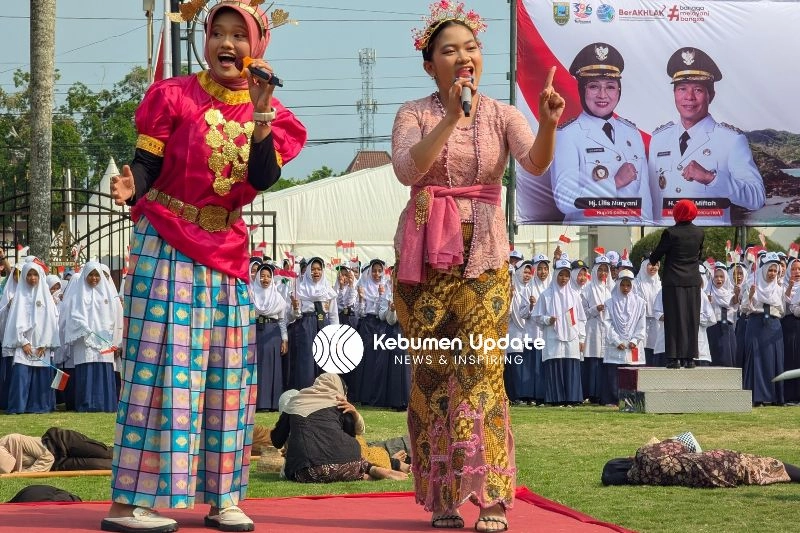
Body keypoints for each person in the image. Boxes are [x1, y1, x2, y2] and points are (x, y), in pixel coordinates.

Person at [104, 1, 306, 531]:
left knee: (228, 377)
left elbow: (261, 179)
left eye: (240, 35)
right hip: (166, 244)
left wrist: (261, 113)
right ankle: (129, 502)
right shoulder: (172, 95)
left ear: (258, 46)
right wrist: (133, 187)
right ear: (204, 38)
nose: (227, 44)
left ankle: (224, 497)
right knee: (157, 370)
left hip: (226, 254)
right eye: (217, 32)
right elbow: (147, 162)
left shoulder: (276, 116)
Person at [391, 2, 565, 530]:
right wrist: (449, 117)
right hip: (423, 265)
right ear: (430, 64)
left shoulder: (502, 113)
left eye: (471, 47)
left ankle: (491, 497)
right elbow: (406, 169)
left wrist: (550, 123)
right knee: (431, 375)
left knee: (484, 373)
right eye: (449, 50)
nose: (463, 57)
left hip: (484, 259)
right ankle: (443, 496)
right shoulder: (414, 113)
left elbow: (534, 163)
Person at [648, 47, 765, 226]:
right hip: (666, 238)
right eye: (681, 89)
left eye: (698, 90)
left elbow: (756, 197)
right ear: (674, 94)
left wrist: (711, 178)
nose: (689, 97)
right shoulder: (658, 139)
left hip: (708, 239)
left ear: (711, 95)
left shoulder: (731, 140)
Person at [550, 42, 649, 225]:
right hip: (588, 230)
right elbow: (564, 200)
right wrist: (614, 182)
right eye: (594, 86)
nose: (603, 95)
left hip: (631, 230)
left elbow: (645, 196)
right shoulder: (568, 135)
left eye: (610, 87)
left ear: (619, 90)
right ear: (582, 90)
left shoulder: (631, 132)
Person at [269, 373, 407, 483]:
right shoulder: (339, 403)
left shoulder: (295, 401)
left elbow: (277, 440)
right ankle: (371, 471)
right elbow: (355, 434)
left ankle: (366, 477)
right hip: (351, 463)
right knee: (352, 464)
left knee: (308, 471)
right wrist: (354, 413)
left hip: (310, 470)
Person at [602, 436, 800, 488]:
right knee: (767, 464)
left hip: (715, 478)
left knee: (765, 472)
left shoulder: (640, 478)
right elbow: (684, 442)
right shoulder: (645, 455)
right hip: (715, 461)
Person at [60, 260, 122, 413]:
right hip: (85, 340)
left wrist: (110, 337)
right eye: (90, 275)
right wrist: (85, 328)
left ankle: (104, 404)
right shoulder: (78, 295)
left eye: (96, 275)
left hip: (104, 341)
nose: (94, 278)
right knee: (86, 372)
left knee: (102, 370)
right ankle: (86, 404)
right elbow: (73, 316)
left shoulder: (107, 295)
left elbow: (115, 318)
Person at [648, 199, 704, 369]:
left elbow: (656, 255)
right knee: (691, 318)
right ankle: (690, 358)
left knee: (673, 319)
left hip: (673, 281)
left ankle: (674, 358)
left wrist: (653, 258)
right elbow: (699, 254)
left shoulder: (670, 233)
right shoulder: (699, 233)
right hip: (693, 280)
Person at [3, 260, 60, 415]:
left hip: (42, 345)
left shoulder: (47, 298)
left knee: (41, 378)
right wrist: (23, 342)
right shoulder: (19, 297)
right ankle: (18, 407)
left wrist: (45, 343)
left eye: (35, 274)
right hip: (24, 345)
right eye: (29, 274)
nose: (32, 278)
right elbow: (15, 322)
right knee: (21, 376)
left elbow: (52, 322)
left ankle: (39, 406)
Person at [533, 258, 585, 406]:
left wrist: (582, 338)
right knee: (555, 364)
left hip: (572, 336)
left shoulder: (574, 295)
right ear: (556, 275)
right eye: (561, 275)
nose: (564, 278)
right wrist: (547, 320)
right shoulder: (546, 295)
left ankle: (572, 398)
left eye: (567, 275)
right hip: (553, 335)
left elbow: (581, 319)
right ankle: (556, 399)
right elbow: (536, 316)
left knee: (571, 364)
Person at [741, 253, 784, 406]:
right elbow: (744, 308)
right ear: (764, 270)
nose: (772, 274)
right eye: (770, 270)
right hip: (756, 324)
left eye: (775, 271)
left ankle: (774, 397)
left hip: (773, 326)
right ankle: (757, 397)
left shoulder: (779, 289)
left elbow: (782, 310)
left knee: (773, 360)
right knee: (756, 360)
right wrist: (751, 295)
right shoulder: (751, 284)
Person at [600, 270, 646, 407]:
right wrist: (616, 341)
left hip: (633, 345)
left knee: (633, 374)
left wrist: (634, 340)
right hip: (615, 345)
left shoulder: (640, 303)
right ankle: (613, 400)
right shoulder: (610, 302)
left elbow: (641, 324)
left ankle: (632, 401)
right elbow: (607, 323)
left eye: (628, 285)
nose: (625, 288)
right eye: (623, 285)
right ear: (618, 284)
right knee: (614, 375)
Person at [251, 262, 288, 412]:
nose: (265, 279)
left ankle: (271, 403)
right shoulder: (251, 294)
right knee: (256, 367)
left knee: (271, 368)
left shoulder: (278, 298)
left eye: (268, 276)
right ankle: (256, 401)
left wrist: (285, 339)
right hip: (254, 331)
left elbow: (282, 320)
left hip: (272, 334)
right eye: (262, 276)